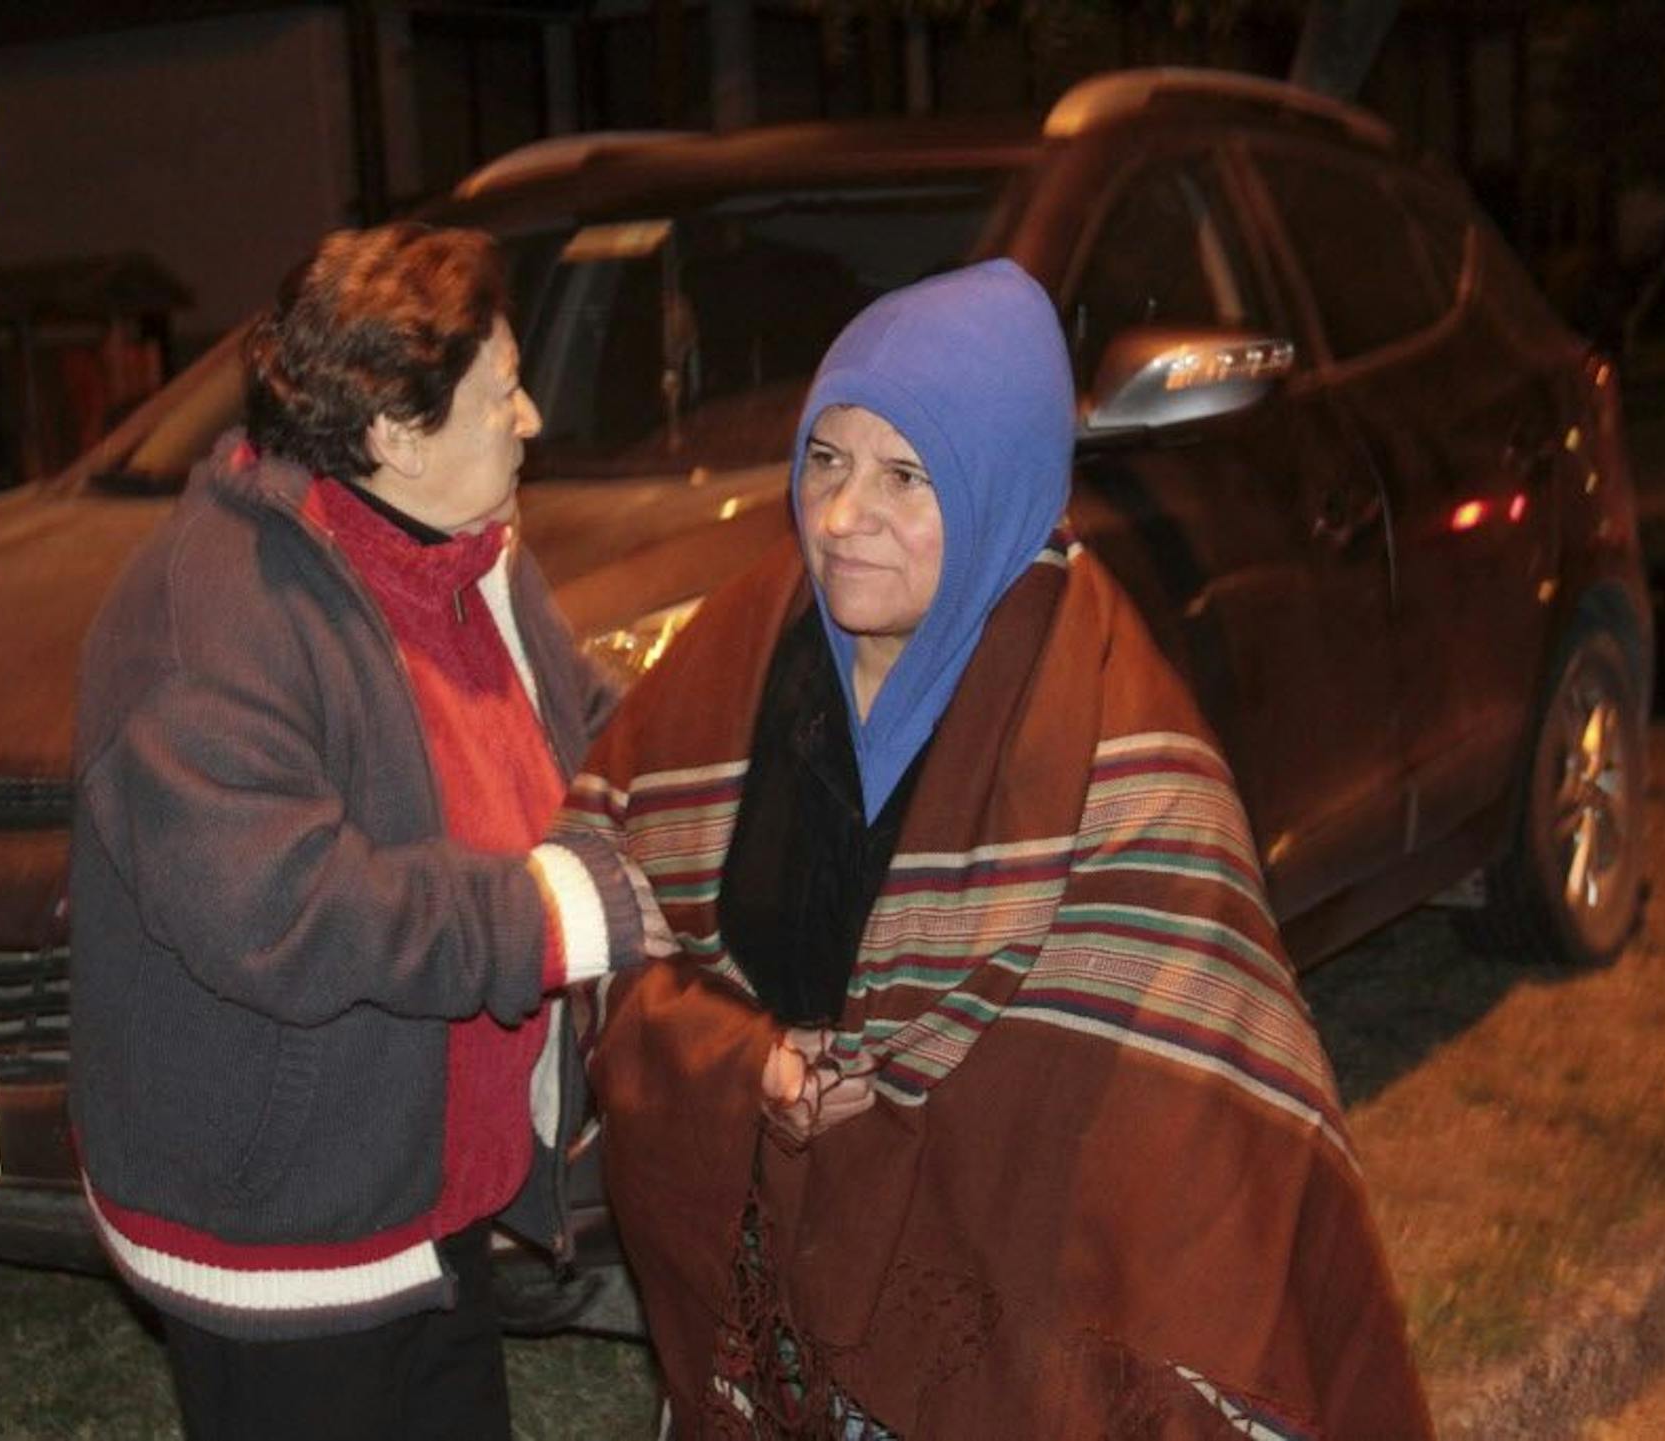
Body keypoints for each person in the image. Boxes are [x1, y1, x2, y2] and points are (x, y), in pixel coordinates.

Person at [562, 259, 1433, 1438]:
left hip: (1016, 1321)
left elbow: (1179, 1128)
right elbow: (605, 895)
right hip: (772, 1316)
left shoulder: (1121, 750)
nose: (841, 517)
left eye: (905, 476)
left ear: (1002, 483)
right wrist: (744, 1064)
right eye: (826, 459)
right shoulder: (739, 653)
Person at [69, 223, 658, 1440]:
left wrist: (692, 770)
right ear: (395, 433)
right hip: (286, 1227)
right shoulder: (207, 622)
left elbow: (580, 722)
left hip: (423, 1188)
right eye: (502, 393)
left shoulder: (461, 553)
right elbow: (283, 908)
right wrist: (553, 915)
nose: (532, 417)